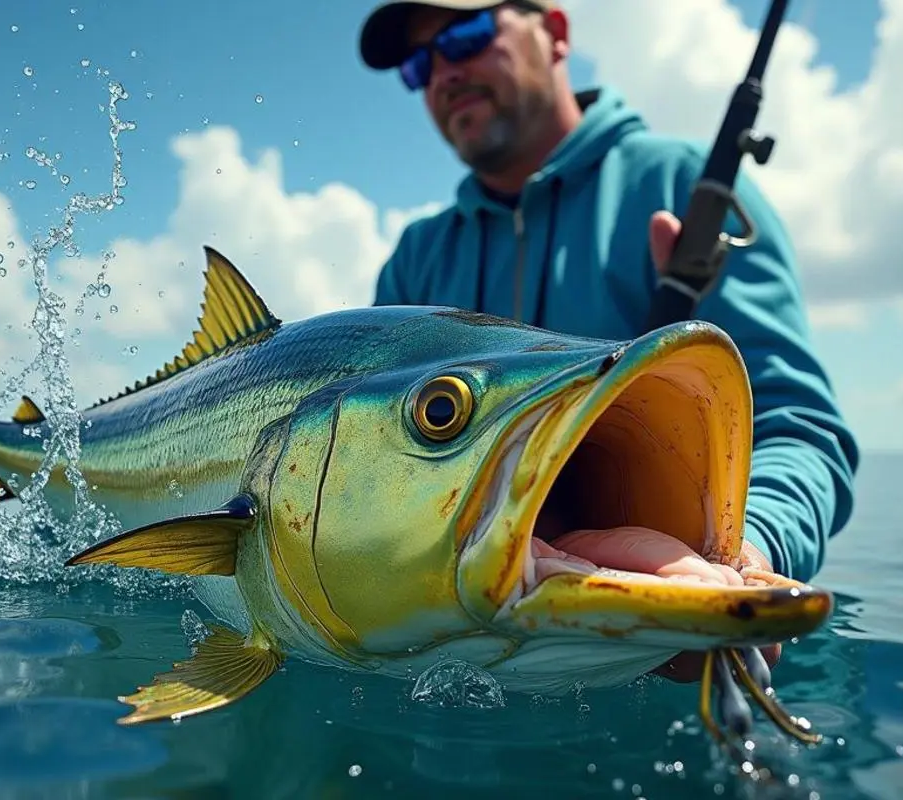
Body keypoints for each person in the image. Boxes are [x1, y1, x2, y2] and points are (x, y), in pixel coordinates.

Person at [357, 0, 860, 680]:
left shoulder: (682, 184)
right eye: (420, 64)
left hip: (649, 643)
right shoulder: (416, 258)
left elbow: (795, 422)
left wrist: (745, 556)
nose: (444, 70)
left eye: (468, 34)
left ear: (556, 32)